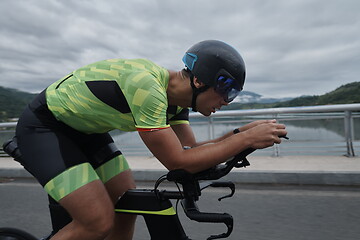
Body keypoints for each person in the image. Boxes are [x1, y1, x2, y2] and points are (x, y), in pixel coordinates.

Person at [15, 40, 287, 240]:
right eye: (226, 94)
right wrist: (244, 139)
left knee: (126, 202)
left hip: (86, 132)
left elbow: (191, 150)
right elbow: (178, 161)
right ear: (199, 82)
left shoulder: (176, 103)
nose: (226, 103)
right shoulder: (148, 88)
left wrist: (242, 134)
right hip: (45, 127)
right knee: (96, 222)